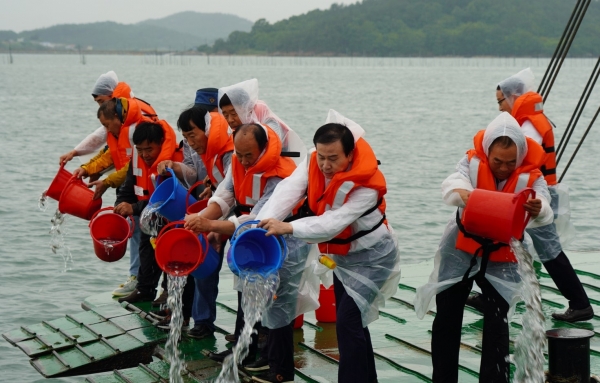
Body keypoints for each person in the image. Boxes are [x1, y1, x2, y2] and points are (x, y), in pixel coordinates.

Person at [258, 110, 401, 383]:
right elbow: (289, 189)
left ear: (350, 155)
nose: (325, 164)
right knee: (353, 322)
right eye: (321, 157)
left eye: (333, 158)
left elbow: (333, 223)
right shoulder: (314, 160)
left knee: (347, 322)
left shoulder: (366, 187)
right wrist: (261, 222)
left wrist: (288, 227)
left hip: (374, 258)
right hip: (344, 258)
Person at [414, 112, 554, 382]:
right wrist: (463, 193)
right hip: (461, 250)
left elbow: (545, 209)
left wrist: (539, 208)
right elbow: (452, 184)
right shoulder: (471, 162)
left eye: (510, 163)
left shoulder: (533, 176)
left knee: (497, 323)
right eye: (497, 161)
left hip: (503, 255)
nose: (503, 168)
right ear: (487, 152)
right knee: (446, 319)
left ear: (521, 156)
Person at [184, 123, 303, 377]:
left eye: (250, 155)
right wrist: (199, 221)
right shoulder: (237, 163)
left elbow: (260, 217)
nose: (244, 160)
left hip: (282, 242)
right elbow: (224, 196)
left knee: (277, 302)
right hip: (249, 238)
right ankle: (244, 350)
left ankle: (276, 367)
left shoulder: (281, 175)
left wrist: (210, 224)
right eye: (239, 154)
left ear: (264, 149)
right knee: (246, 291)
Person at [492, 68, 592, 322]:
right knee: (508, 240)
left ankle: (580, 304)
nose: (500, 108)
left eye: (501, 102)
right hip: (534, 193)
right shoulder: (529, 121)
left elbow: (522, 158)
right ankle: (492, 293)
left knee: (549, 252)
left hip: (536, 197)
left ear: (514, 96)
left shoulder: (527, 126)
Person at [157, 104, 233, 339]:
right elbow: (192, 173)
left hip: (226, 212)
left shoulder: (228, 151)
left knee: (209, 268)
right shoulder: (197, 148)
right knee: (193, 263)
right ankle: (191, 317)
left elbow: (232, 187)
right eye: (186, 137)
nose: (190, 142)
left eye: (193, 135)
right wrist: (174, 165)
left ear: (207, 130)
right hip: (204, 207)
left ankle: (208, 324)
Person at [113, 121, 180, 310]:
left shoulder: (174, 161)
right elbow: (128, 186)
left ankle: (168, 291)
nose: (145, 155)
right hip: (148, 215)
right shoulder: (137, 159)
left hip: (171, 217)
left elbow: (168, 197)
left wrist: (133, 208)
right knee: (146, 250)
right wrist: (120, 206)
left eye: (149, 149)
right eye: (140, 150)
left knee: (170, 252)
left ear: (161, 143)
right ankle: (145, 289)